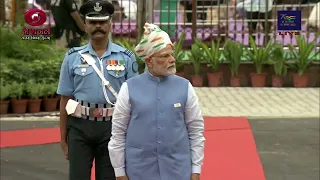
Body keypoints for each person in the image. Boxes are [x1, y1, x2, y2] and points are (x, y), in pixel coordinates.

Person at [108, 23, 206, 180]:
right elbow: (118, 133)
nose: (172, 60)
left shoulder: (185, 87)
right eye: (164, 56)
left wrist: (196, 169)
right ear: (149, 61)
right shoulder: (129, 88)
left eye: (172, 54)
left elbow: (196, 130)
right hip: (139, 171)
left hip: (177, 170)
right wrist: (119, 172)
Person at [56, 0, 139, 180]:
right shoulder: (72, 58)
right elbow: (65, 99)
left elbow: (135, 101)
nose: (98, 26)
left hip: (112, 127)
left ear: (110, 24)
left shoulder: (126, 58)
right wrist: (63, 137)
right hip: (79, 127)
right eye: (93, 22)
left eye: (102, 21)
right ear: (85, 25)